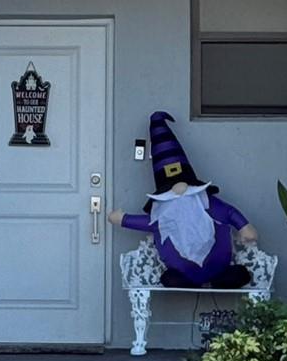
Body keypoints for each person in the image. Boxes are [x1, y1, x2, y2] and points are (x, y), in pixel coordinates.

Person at [108, 111, 257, 288]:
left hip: (220, 268)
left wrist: (244, 227)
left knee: (237, 276)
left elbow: (230, 213)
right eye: (170, 187)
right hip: (183, 273)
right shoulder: (162, 216)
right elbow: (147, 222)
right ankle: (188, 278)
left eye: (183, 184)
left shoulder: (210, 205)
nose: (178, 190)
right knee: (171, 279)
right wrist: (123, 219)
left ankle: (220, 277)